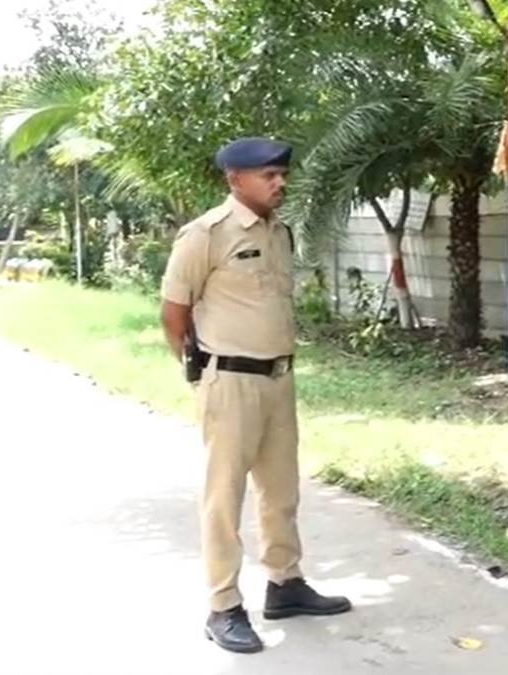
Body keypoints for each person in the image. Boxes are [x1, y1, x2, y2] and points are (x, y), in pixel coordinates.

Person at [159, 137, 352, 655]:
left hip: (278, 379)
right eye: (268, 175)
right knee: (224, 496)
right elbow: (174, 314)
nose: (279, 182)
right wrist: (200, 374)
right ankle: (223, 606)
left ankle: (285, 583)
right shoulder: (205, 235)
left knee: (281, 489)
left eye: (281, 174)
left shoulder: (278, 232)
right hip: (230, 382)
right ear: (235, 180)